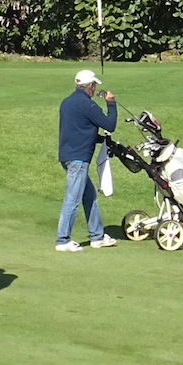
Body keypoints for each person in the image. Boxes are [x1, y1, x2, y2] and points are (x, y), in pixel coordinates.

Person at [56, 69, 117, 251]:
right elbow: (109, 125)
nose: (94, 88)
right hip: (79, 159)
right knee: (72, 198)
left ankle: (97, 236)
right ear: (90, 86)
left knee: (88, 195)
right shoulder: (88, 105)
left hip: (67, 156)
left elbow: (80, 129)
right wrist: (111, 104)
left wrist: (98, 139)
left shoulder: (66, 102)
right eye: (94, 85)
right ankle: (62, 240)